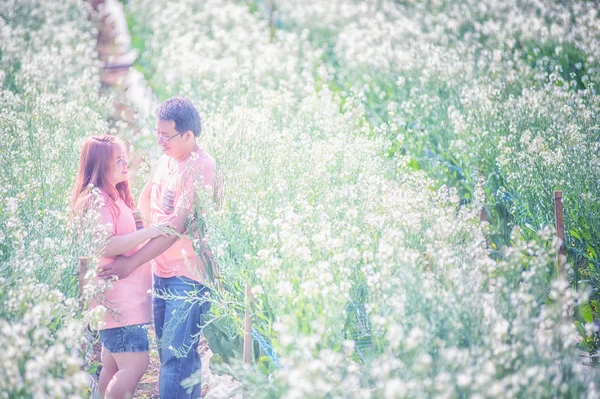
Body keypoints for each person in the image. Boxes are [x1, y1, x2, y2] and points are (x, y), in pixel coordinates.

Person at [98, 97, 217, 399]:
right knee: (175, 357)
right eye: (158, 134)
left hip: (188, 277)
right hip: (161, 271)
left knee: (176, 357)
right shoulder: (167, 160)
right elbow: (145, 201)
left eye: (167, 136)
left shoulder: (201, 168)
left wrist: (132, 262)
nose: (161, 141)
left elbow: (177, 227)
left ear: (189, 135)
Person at [71, 135, 172, 399]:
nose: (125, 163)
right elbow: (104, 245)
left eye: (124, 157)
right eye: (118, 160)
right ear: (100, 165)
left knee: (113, 365)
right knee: (137, 364)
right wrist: (149, 232)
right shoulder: (99, 201)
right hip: (119, 303)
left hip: (121, 302)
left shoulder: (113, 198)